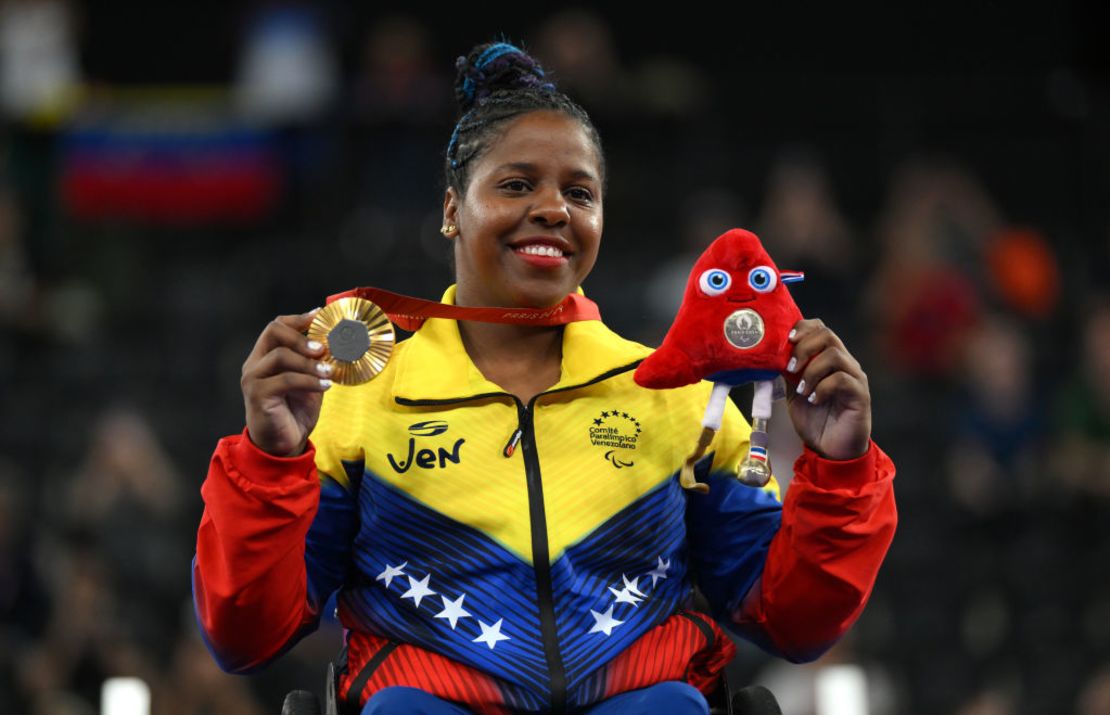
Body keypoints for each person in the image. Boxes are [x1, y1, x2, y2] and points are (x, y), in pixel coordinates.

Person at [192, 42, 897, 715]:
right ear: (450, 210)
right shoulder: (356, 405)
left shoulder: (676, 399)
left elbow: (793, 619)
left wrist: (837, 467)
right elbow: (247, 635)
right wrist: (271, 457)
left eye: (579, 192)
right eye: (517, 184)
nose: (554, 208)